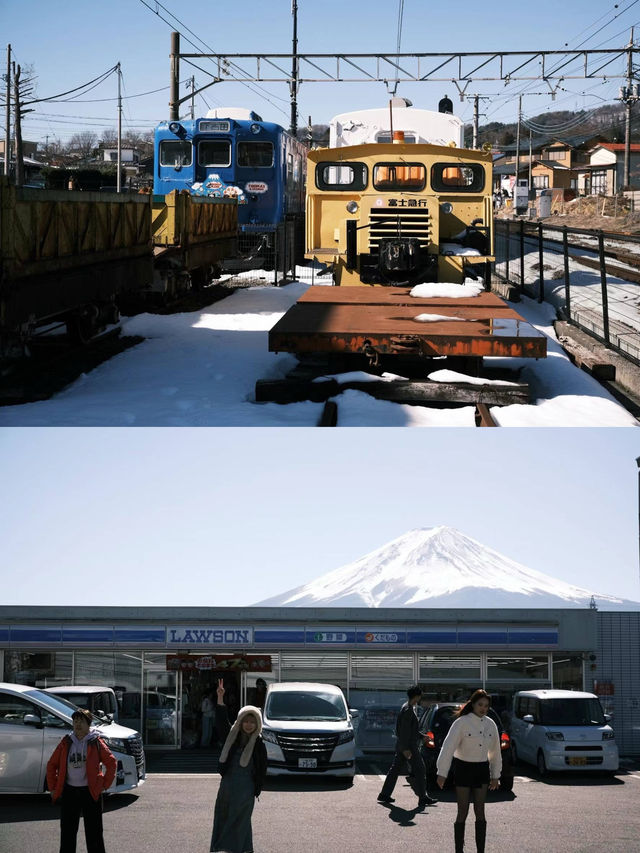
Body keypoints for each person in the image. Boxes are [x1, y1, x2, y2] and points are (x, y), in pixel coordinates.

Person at [436, 689, 501, 853]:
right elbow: (448, 747)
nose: (483, 708)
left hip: (481, 770)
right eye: (480, 704)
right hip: (463, 768)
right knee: (462, 811)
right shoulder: (461, 723)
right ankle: (459, 849)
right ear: (472, 704)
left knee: (480, 811)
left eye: (486, 706)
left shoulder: (490, 724)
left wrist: (495, 776)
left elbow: (495, 753)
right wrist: (442, 772)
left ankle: (481, 850)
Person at [46, 707, 117, 853]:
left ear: (88, 725)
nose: (77, 724)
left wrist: (104, 784)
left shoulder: (95, 742)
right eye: (75, 721)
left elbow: (111, 762)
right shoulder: (66, 742)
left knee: (94, 834)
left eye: (81, 721)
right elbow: (51, 764)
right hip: (70, 792)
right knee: (67, 834)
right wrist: (53, 787)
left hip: (90, 793)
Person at [211, 678, 267, 853]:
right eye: (246, 720)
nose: (249, 725)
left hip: (246, 788)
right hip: (227, 785)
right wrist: (220, 699)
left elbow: (262, 769)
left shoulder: (259, 744)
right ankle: (238, 848)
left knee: (241, 818)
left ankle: (234, 849)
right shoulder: (232, 736)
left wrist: (256, 788)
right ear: (241, 721)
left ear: (257, 724)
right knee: (224, 814)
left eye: (252, 722)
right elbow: (221, 723)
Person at [377, 685, 437, 809]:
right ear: (416, 696)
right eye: (420, 695)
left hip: (404, 745)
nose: (421, 698)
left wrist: (422, 736)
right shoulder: (408, 710)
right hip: (408, 746)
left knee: (395, 770)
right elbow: (404, 732)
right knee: (420, 769)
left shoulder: (407, 707)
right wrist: (405, 749)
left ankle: (384, 794)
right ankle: (423, 798)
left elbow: (409, 730)